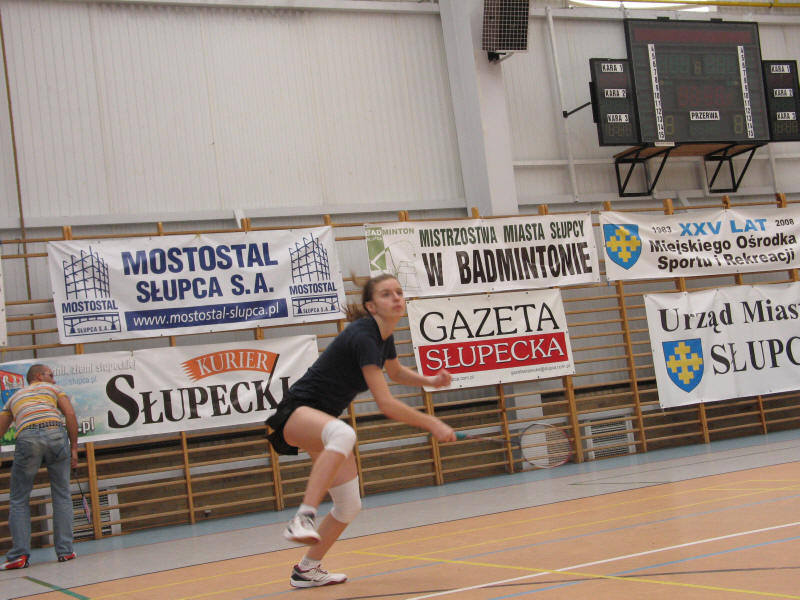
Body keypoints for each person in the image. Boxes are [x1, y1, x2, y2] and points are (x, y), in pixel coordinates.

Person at [266, 273, 455, 588]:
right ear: (371, 306)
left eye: (398, 292)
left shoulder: (384, 336)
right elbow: (386, 403)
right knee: (343, 434)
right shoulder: (363, 336)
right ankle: (303, 517)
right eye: (386, 294)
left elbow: (396, 372)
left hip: (322, 420)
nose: (396, 298)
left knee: (349, 504)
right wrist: (433, 423)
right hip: (295, 413)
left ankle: (307, 569)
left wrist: (430, 381)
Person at [0, 364, 79, 570]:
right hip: (55, 431)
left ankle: (19, 555)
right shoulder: (53, 389)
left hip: (27, 436)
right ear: (38, 376)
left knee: (19, 498)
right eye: (51, 375)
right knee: (62, 494)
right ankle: (65, 551)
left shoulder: (14, 397)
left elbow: (1, 428)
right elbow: (70, 414)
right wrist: (74, 448)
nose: (54, 379)